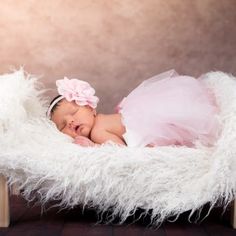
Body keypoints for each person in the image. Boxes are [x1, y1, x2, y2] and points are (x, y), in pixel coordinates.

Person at [47, 70, 220, 148]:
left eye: (74, 112)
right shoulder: (103, 122)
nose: (69, 121)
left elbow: (119, 152)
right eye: (62, 126)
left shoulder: (98, 132)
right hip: (150, 122)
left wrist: (93, 147)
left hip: (150, 130)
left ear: (91, 108)